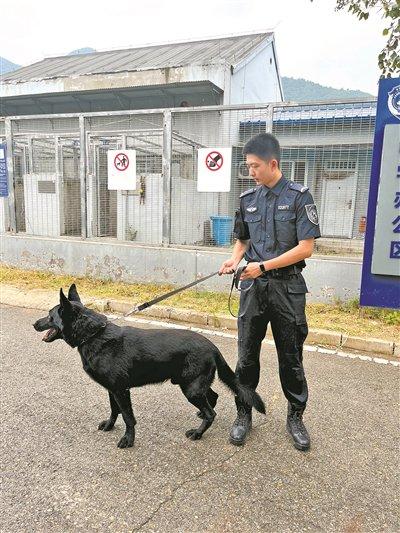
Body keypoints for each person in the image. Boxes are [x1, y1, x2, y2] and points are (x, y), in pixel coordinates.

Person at [219, 133, 321, 451]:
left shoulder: (300, 197)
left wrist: (263, 266)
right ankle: (243, 414)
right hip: (253, 288)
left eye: (255, 166)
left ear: (273, 163)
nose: (250, 172)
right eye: (247, 166)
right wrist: (234, 259)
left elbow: (306, 248)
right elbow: (243, 239)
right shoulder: (248, 199)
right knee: (246, 357)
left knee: (290, 358)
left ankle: (295, 417)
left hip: (287, 288)